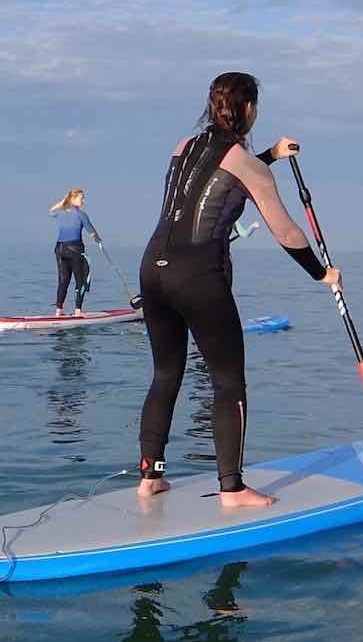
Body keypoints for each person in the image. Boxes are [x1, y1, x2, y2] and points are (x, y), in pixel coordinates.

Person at [136, 71, 341, 510]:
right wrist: (321, 273)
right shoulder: (244, 162)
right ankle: (232, 489)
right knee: (228, 382)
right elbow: (284, 230)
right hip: (198, 278)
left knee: (165, 374)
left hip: (152, 270)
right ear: (248, 109)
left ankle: (150, 475)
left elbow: (222, 174)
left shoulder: (182, 148)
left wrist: (269, 155)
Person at [47, 188, 99, 316]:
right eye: (81, 198)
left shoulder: (59, 213)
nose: (84, 200)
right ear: (73, 199)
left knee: (63, 280)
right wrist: (97, 238)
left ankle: (59, 311)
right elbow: (91, 231)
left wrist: (64, 201)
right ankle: (78, 311)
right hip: (75, 250)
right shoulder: (81, 214)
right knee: (81, 280)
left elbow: (50, 211)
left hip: (59, 249)